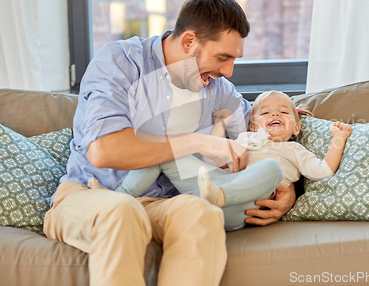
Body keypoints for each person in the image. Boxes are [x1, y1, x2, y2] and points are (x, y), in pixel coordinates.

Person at [42, 0, 295, 286]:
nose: (227, 71)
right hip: (93, 195)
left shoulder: (218, 89)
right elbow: (104, 150)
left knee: (202, 213)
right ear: (189, 41)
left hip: (163, 204)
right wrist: (197, 141)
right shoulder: (121, 62)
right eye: (222, 57)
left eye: (234, 60)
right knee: (122, 212)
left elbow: (267, 127)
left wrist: (289, 190)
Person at [89, 90, 351, 231]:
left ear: (295, 128)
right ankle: (116, 197)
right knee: (168, 152)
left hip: (245, 206)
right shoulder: (246, 139)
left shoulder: (294, 151)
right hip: (213, 185)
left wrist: (338, 138)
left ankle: (219, 197)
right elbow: (213, 156)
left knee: (269, 167)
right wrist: (221, 124)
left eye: (283, 112)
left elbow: (324, 170)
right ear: (251, 123)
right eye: (266, 112)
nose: (275, 114)